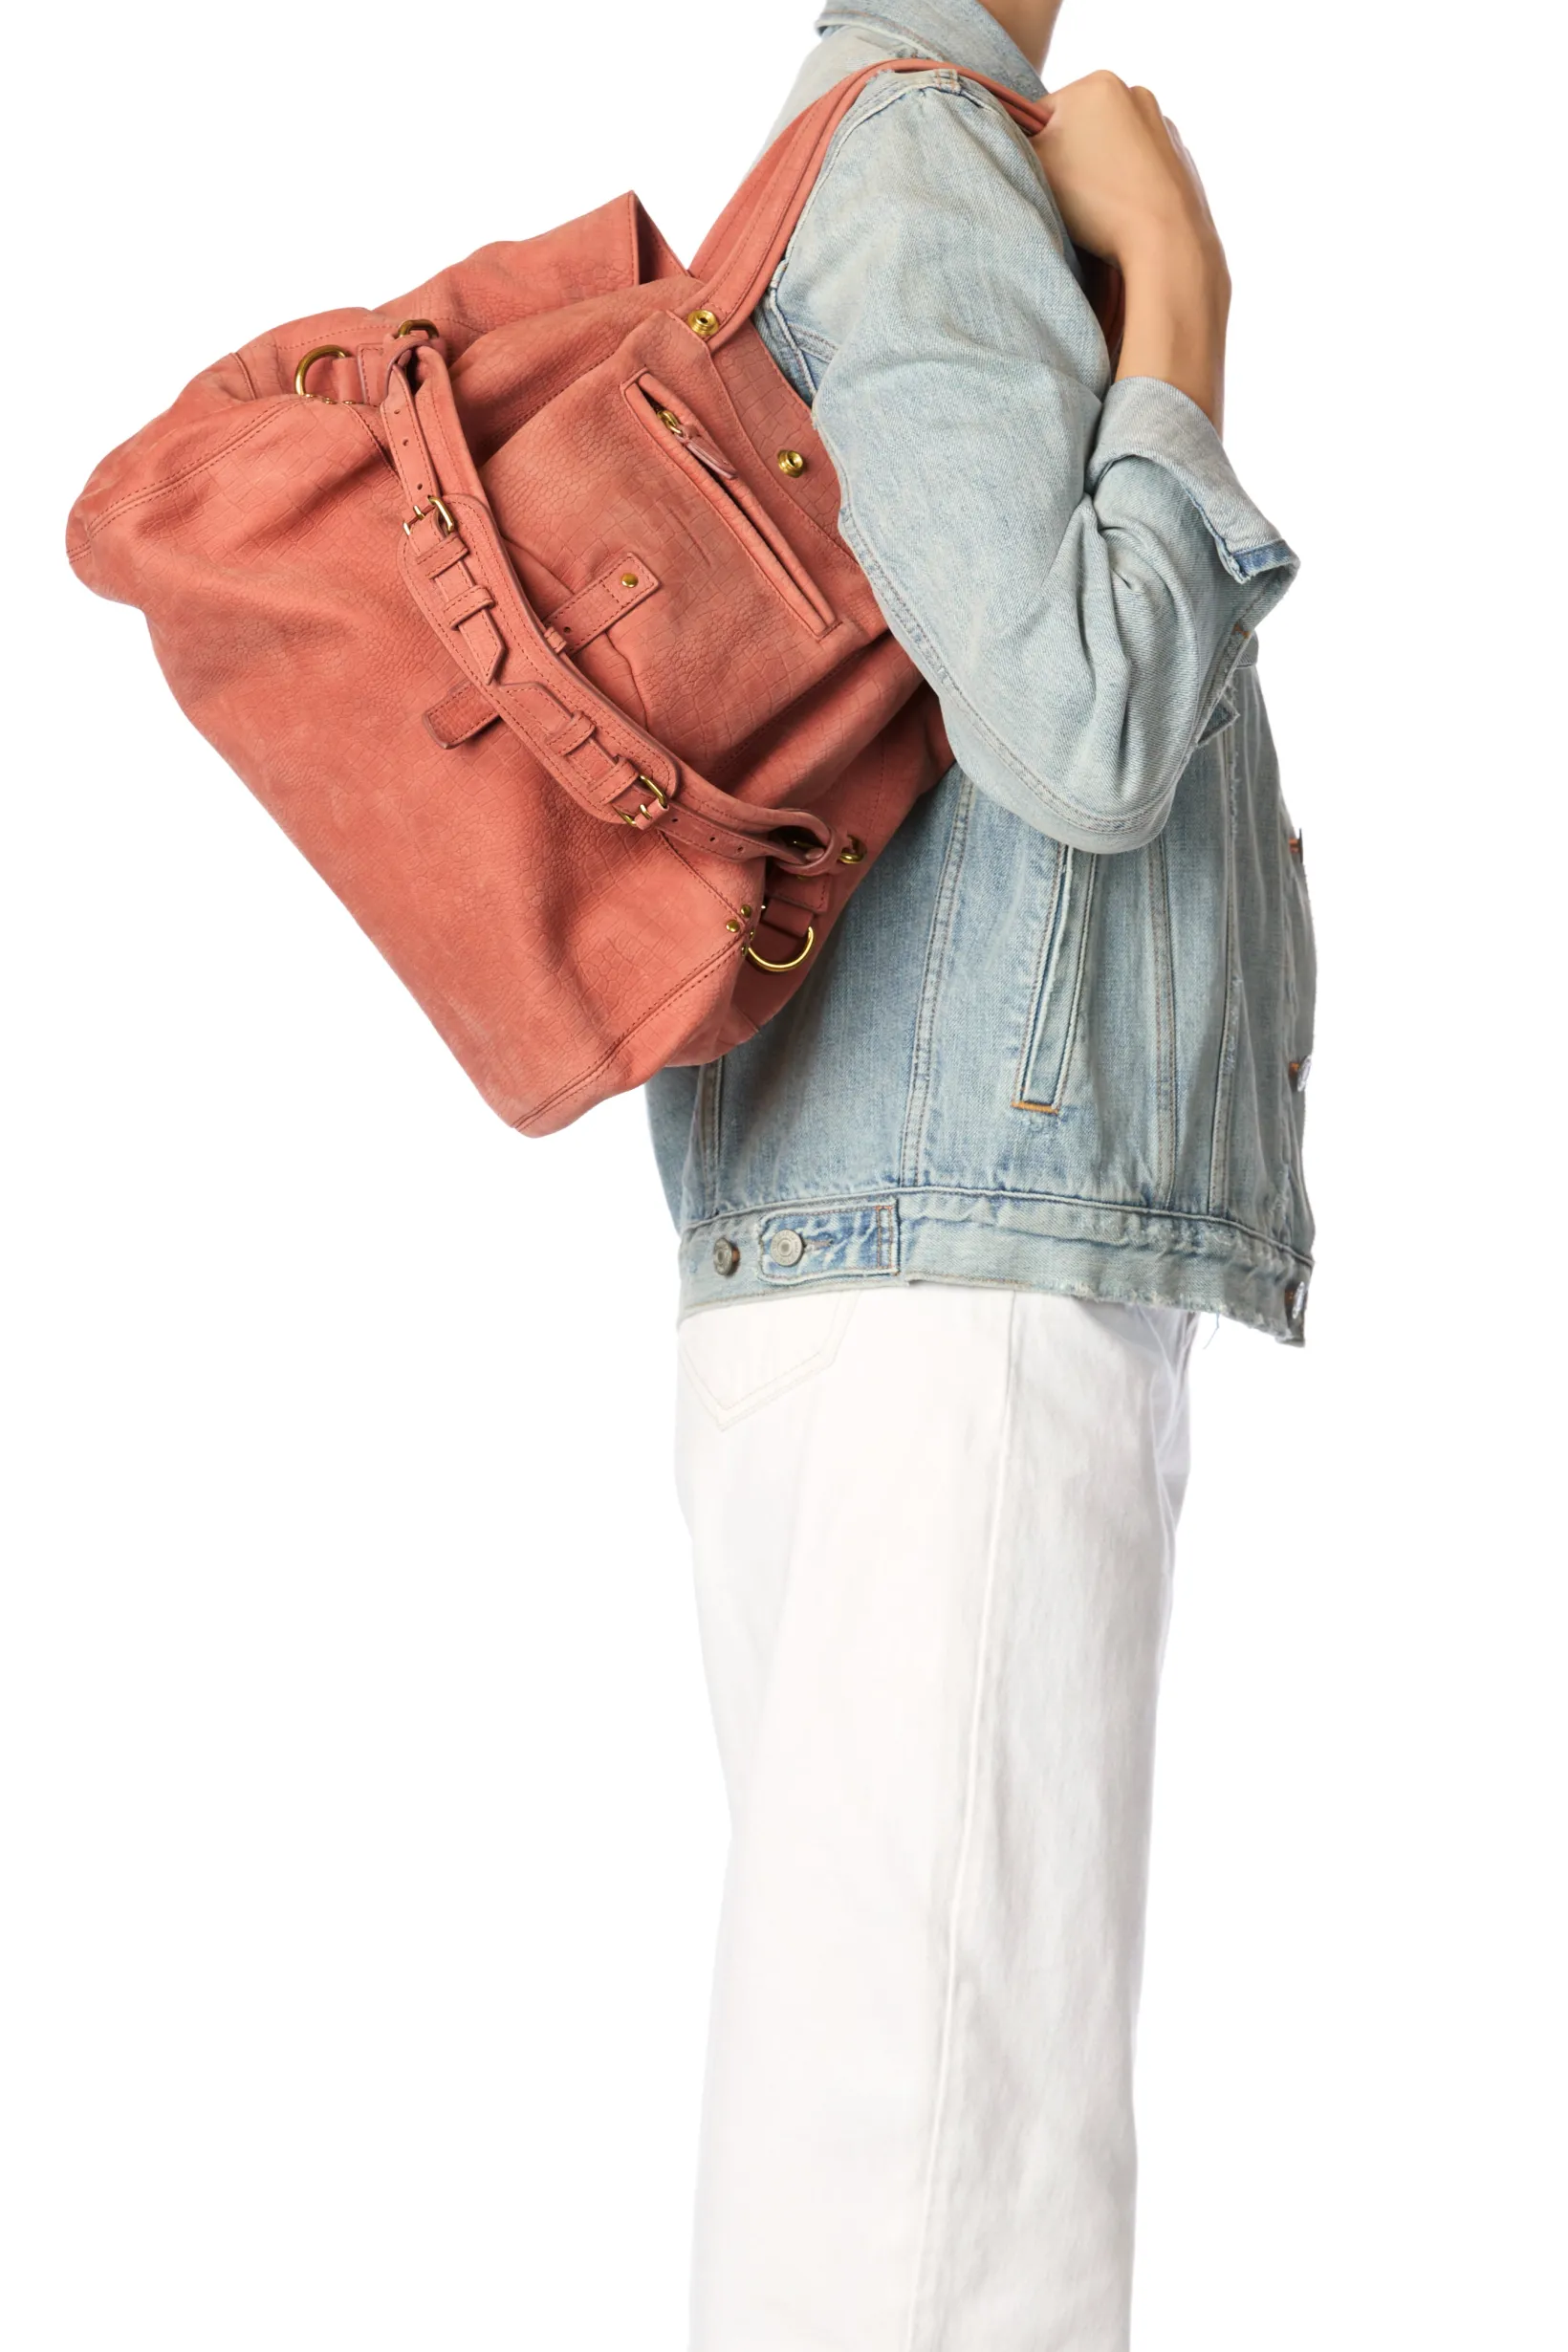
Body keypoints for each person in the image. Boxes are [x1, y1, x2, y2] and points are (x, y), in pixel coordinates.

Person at [644, 4, 1316, 2347]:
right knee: (944, 2185)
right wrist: (1183, 295)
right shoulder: (920, 163)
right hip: (960, 1289)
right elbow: (1085, 720)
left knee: (892, 2138)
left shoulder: (878, 160)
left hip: (897, 1260)